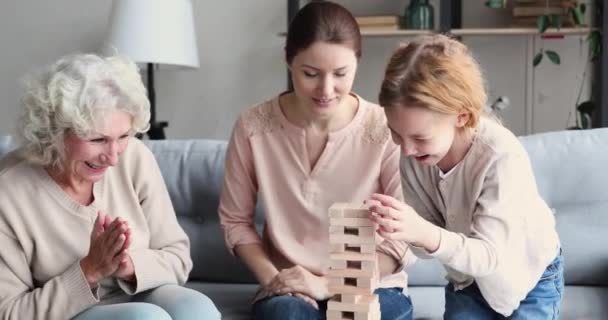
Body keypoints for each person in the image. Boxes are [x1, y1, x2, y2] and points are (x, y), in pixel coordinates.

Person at [218, 2, 416, 319]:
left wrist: (330, 284)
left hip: (371, 284)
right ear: (288, 61)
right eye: (310, 74)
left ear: (357, 64)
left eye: (340, 74)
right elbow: (236, 223)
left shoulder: (385, 128)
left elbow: (401, 237)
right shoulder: (252, 127)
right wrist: (275, 280)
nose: (325, 90)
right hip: (289, 289)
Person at [0, 53, 221, 320]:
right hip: (65, 312)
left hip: (134, 292)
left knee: (197, 309)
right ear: (53, 132)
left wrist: (127, 265)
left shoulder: (135, 157)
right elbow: (9, 312)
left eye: (124, 136)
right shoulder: (9, 192)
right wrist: (90, 269)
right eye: (97, 139)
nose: (114, 157)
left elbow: (178, 258)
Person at [367, 34, 563, 319]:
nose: (407, 149)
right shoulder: (414, 156)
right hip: (468, 280)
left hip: (529, 279)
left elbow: (490, 257)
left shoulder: (500, 155)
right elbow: (425, 250)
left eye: (420, 137)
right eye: (396, 133)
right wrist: (403, 229)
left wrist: (422, 230)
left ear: (461, 116)